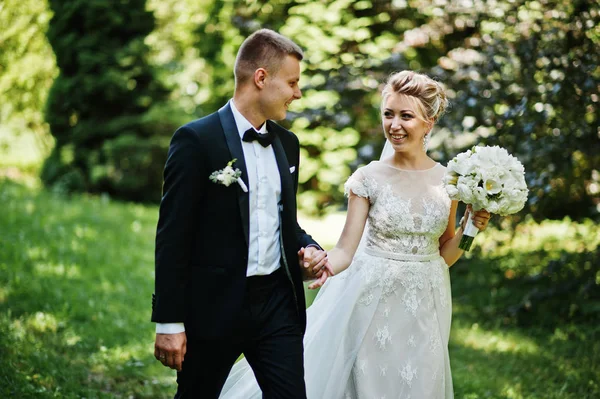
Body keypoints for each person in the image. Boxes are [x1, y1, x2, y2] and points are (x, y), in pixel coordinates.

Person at [219, 70, 491, 398]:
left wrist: (469, 229)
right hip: (372, 301)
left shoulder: (447, 181)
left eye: (406, 116)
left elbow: (443, 253)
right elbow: (346, 249)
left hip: (425, 304)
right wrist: (323, 266)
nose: (394, 125)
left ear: (429, 121)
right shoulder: (368, 178)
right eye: (388, 114)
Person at [151, 28, 332, 399]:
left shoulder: (288, 144)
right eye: (293, 83)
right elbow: (173, 236)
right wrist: (169, 322)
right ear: (261, 78)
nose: (298, 93)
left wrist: (308, 249)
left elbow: (285, 223)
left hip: (277, 305)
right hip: (214, 306)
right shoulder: (196, 141)